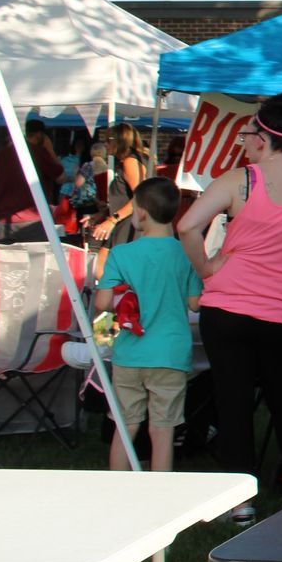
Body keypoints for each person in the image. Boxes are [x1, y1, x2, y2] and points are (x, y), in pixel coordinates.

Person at [177, 94, 282, 524]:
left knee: (232, 402)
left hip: (227, 307)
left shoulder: (238, 180)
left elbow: (187, 225)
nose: (243, 140)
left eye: (247, 134)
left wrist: (207, 268)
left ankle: (239, 501)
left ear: (263, 139)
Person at [97, 177, 202, 472]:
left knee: (126, 425)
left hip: (129, 354)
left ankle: (117, 488)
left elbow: (103, 303)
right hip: (170, 354)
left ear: (140, 212)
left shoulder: (121, 253)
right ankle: (161, 498)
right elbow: (195, 303)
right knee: (163, 429)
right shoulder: (186, 254)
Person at [0, 117, 63, 242]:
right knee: (36, 260)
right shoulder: (37, 152)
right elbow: (61, 178)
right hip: (33, 221)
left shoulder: (0, 155)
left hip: (5, 220)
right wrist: (49, 149)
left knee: (8, 261)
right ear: (40, 135)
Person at [90, 121, 151, 248]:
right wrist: (104, 213)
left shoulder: (131, 162)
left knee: (108, 263)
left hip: (130, 225)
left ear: (120, 140)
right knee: (103, 262)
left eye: (108, 140)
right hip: (124, 221)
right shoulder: (130, 161)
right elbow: (126, 196)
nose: (105, 145)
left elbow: (140, 197)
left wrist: (112, 220)